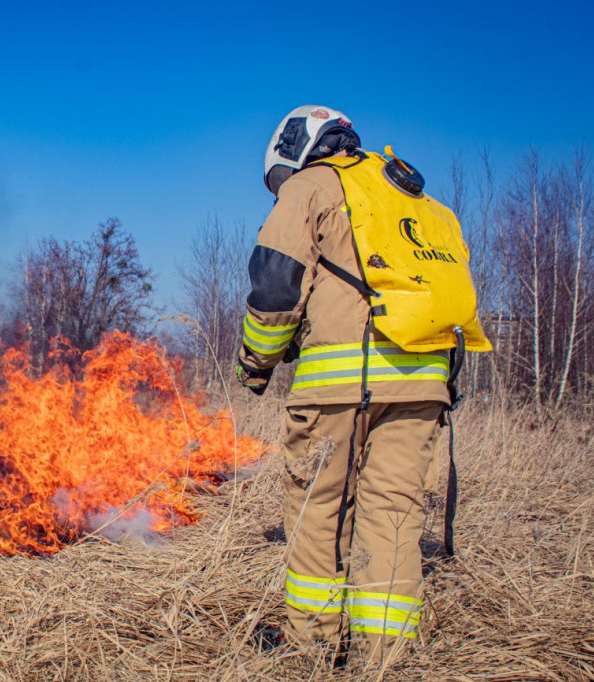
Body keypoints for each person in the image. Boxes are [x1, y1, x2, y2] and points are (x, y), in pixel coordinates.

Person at [236, 105, 488, 666]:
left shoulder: (313, 185)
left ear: (295, 149)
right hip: (424, 384)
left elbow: (276, 284)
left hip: (338, 386)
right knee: (394, 513)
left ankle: (311, 650)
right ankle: (385, 657)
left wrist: (256, 363)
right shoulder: (413, 197)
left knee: (317, 508)